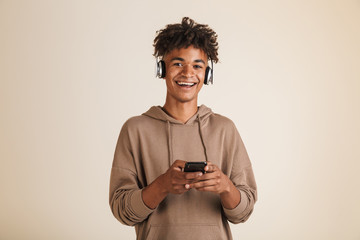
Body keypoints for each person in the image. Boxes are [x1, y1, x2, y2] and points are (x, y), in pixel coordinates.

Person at [109, 17, 257, 240]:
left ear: (207, 73)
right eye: (178, 63)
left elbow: (243, 212)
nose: (188, 73)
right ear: (162, 69)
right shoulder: (135, 130)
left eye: (197, 66)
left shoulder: (225, 129)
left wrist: (226, 186)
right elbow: (123, 211)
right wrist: (162, 185)